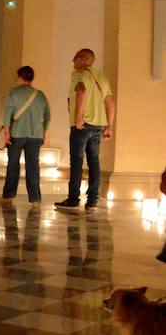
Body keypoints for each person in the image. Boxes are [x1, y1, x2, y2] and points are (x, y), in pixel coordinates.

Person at [54, 47, 115, 212]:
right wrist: (109, 125)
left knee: (77, 161)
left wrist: (78, 117)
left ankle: (73, 199)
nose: (73, 62)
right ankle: (93, 200)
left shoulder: (79, 74)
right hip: (98, 126)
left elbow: (81, 91)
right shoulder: (101, 77)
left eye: (75, 58)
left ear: (82, 59)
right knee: (94, 161)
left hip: (82, 125)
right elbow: (110, 102)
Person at [0, 65, 51, 205]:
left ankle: (8, 196)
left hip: (16, 134)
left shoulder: (13, 93)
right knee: (33, 166)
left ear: (20, 77)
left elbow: (7, 114)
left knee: (13, 164)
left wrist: (7, 131)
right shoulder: (40, 95)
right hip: (35, 135)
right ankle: (35, 199)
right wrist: (43, 132)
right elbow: (47, 115)